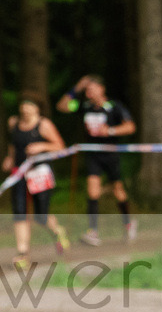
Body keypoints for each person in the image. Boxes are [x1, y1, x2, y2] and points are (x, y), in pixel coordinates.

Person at [56, 75, 137, 246]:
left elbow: (130, 126)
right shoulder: (85, 107)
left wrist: (111, 131)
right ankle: (93, 232)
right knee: (92, 191)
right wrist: (77, 87)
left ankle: (128, 223)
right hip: (93, 155)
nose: (89, 92)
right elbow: (62, 106)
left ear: (102, 89)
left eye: (92, 88)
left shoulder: (114, 106)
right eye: (87, 90)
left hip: (111, 153)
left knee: (118, 190)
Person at [2, 95, 71, 267]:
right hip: (19, 173)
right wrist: (9, 158)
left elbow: (60, 146)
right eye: (23, 104)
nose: (25, 108)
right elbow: (13, 143)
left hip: (40, 173)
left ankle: (57, 231)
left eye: (30, 105)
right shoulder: (13, 122)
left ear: (37, 108)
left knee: (41, 215)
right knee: (20, 212)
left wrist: (42, 146)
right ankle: (22, 254)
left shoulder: (44, 125)